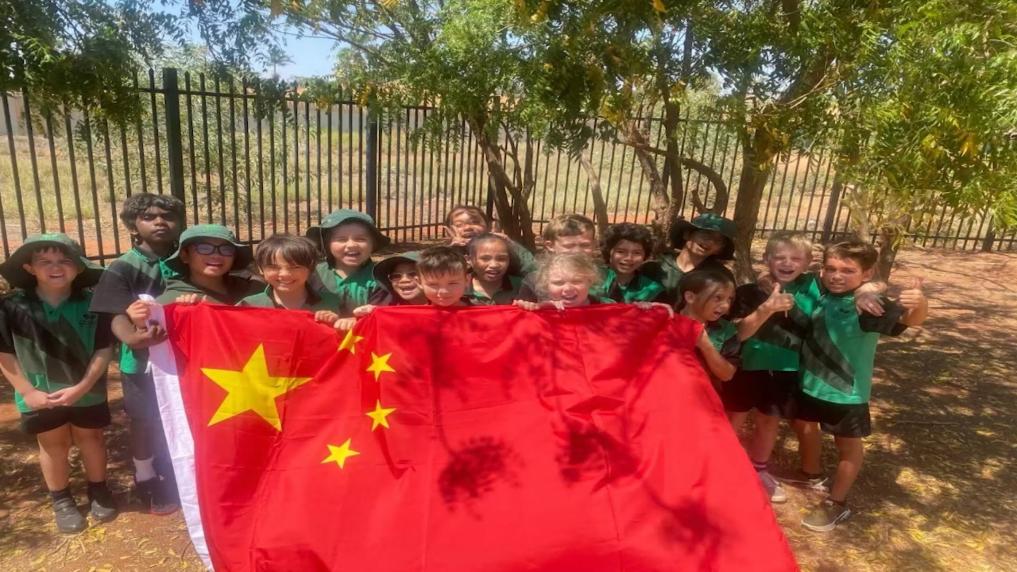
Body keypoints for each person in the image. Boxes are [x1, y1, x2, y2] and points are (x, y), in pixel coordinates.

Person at [762, 240, 928, 532]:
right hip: (810, 384)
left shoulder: (867, 306)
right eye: (831, 268)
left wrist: (919, 304)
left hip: (845, 394)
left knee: (847, 446)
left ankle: (837, 503)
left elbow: (908, 321)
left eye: (848, 271)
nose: (837, 276)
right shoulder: (824, 292)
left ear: (866, 273)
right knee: (803, 424)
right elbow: (786, 274)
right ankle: (811, 473)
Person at [0, 234, 117, 534]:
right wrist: (28, 392)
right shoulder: (11, 306)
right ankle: (61, 500)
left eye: (65, 260)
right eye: (45, 261)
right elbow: (4, 353)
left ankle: (98, 489)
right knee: (54, 445)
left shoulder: (95, 304)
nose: (56, 267)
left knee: (92, 439)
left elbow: (104, 349)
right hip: (40, 394)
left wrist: (83, 387)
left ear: (79, 267)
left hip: (87, 391)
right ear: (29, 268)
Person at [89, 193, 184, 515]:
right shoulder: (123, 267)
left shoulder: (187, 259)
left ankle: (173, 470)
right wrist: (132, 337)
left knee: (179, 414)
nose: (160, 222)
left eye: (167, 216)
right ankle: (145, 476)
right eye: (149, 217)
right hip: (142, 361)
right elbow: (113, 311)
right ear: (132, 225)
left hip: (183, 355)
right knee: (145, 420)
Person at [238, 234, 341, 326]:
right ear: (260, 269)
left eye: (295, 267)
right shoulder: (248, 305)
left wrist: (336, 324)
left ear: (311, 268)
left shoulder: (332, 303)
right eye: (274, 267)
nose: (285, 274)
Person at [305, 209, 391, 315]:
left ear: (373, 244)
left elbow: (382, 315)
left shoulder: (381, 277)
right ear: (326, 244)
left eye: (360, 239)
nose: (351, 245)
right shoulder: (313, 274)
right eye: (341, 239)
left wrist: (356, 320)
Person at [647, 212, 736, 306]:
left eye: (718, 241)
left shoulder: (721, 276)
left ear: (720, 249)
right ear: (687, 234)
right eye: (706, 234)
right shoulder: (655, 266)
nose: (710, 242)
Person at [157, 224, 260, 305]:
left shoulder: (253, 290)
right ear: (185, 256)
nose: (216, 255)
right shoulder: (170, 302)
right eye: (204, 248)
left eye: (226, 249)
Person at [676, 269, 741, 383]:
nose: (726, 306)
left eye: (729, 299)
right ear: (690, 297)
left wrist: (705, 345)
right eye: (718, 298)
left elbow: (727, 375)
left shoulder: (727, 330)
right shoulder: (666, 319)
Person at [517, 214, 600, 302]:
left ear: (594, 244)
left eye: (585, 245)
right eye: (569, 246)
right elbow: (521, 308)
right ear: (550, 246)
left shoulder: (606, 278)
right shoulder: (535, 280)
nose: (577, 251)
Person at [443, 205, 536, 274]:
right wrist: (452, 251)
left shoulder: (503, 248)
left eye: (475, 222)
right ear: (449, 231)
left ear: (488, 227)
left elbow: (532, 269)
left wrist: (511, 245)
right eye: (459, 225)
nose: (468, 228)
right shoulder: (443, 253)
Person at [600, 223, 664, 303]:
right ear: (609, 251)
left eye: (637, 253)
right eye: (621, 251)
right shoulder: (593, 280)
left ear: (645, 256)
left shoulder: (652, 289)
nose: (629, 258)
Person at [465, 234, 523, 305]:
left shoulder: (522, 286)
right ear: (469, 260)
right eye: (485, 259)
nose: (494, 265)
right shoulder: (458, 287)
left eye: (501, 259)